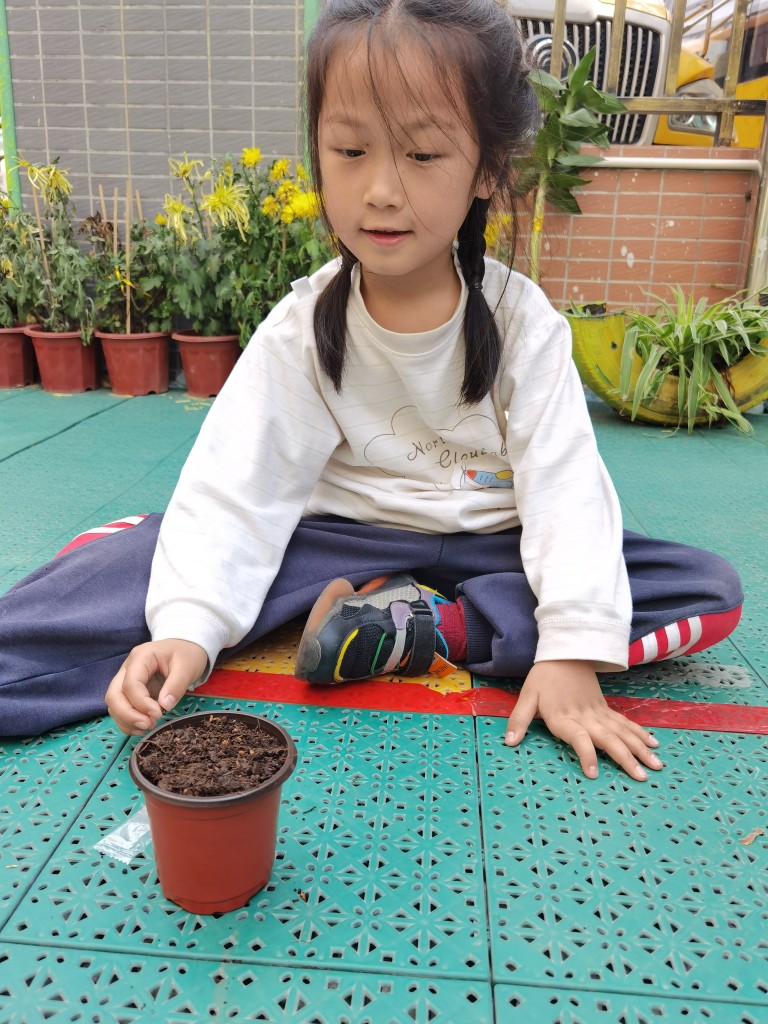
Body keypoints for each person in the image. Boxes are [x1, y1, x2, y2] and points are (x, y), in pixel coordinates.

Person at [0, 0, 743, 783]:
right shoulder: (302, 326)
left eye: (422, 154)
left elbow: (566, 497)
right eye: (350, 150)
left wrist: (569, 654)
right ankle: (386, 614)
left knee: (703, 590)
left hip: (496, 550)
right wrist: (186, 628)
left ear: (488, 168)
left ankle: (429, 626)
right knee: (125, 570)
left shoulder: (524, 324)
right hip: (338, 543)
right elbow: (237, 490)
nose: (381, 190)